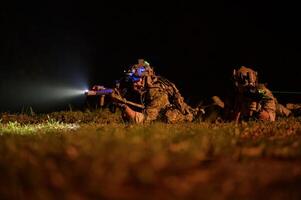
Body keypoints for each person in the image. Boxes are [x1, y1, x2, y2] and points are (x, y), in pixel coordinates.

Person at [112, 59, 201, 124]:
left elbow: (144, 121)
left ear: (146, 79)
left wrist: (123, 106)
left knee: (167, 117)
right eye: (132, 78)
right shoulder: (140, 91)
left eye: (136, 78)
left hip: (174, 116)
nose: (134, 82)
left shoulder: (156, 92)